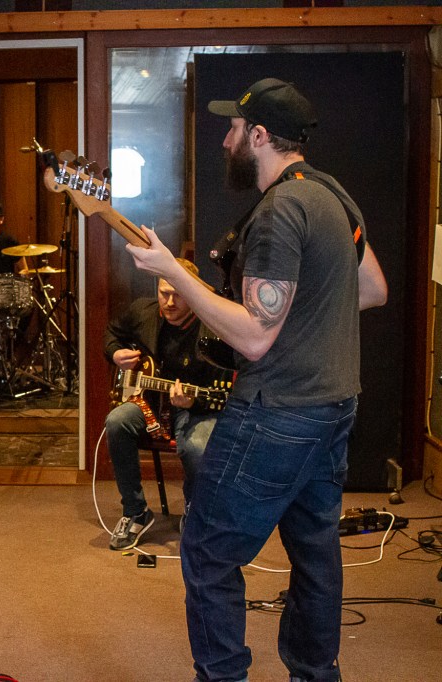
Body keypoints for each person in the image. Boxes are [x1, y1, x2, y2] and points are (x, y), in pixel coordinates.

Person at [126, 79, 387, 682]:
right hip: (335, 406)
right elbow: (372, 289)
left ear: (260, 136)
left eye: (234, 129)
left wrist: (174, 272)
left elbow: (252, 337)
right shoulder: (333, 195)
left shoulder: (279, 211)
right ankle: (315, 674)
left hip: (278, 409)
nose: (226, 140)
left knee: (207, 549)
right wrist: (301, 314)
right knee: (315, 552)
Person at [104, 259, 229, 550]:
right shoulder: (143, 311)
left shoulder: (213, 326)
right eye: (164, 293)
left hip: (197, 407)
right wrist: (115, 353)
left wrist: (192, 400)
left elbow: (220, 392)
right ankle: (135, 511)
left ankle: (194, 510)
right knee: (116, 421)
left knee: (197, 447)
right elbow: (112, 332)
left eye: (178, 294)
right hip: (150, 403)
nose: (169, 302)